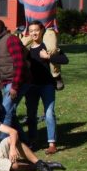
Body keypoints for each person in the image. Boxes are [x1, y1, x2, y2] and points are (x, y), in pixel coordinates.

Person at [25, 21, 69, 154]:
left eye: (36, 30)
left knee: (49, 113)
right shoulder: (27, 49)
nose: (34, 33)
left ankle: (52, 144)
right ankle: (32, 141)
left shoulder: (48, 46)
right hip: (31, 87)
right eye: (31, 31)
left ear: (42, 31)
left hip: (47, 86)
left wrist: (48, 56)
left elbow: (65, 59)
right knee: (31, 115)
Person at [0, 20, 31, 137]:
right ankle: (24, 141)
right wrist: (1, 82)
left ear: (3, 27)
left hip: (18, 81)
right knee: (10, 112)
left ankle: (3, 142)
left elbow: (19, 63)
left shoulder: (11, 39)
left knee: (6, 111)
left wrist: (15, 86)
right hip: (6, 82)